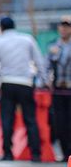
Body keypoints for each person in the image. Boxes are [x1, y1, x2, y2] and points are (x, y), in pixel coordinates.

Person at [0, 16, 47, 163]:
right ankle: (36, 154)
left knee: (7, 119)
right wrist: (43, 81)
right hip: (25, 83)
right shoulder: (27, 40)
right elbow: (39, 62)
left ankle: (7, 152)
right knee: (30, 119)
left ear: (1, 28)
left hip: (7, 83)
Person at [47, 14, 71, 160]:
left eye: (67, 27)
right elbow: (46, 66)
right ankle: (65, 153)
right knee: (59, 122)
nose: (64, 29)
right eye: (62, 26)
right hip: (57, 90)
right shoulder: (53, 46)